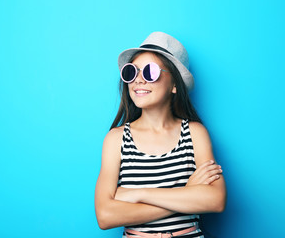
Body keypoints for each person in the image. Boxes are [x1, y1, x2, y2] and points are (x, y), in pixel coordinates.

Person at [95, 32, 226, 238]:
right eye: (132, 72)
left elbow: (216, 200)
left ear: (174, 84)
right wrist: (186, 193)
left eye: (150, 72)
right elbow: (105, 215)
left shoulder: (194, 133)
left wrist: (139, 194)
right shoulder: (116, 139)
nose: (138, 79)